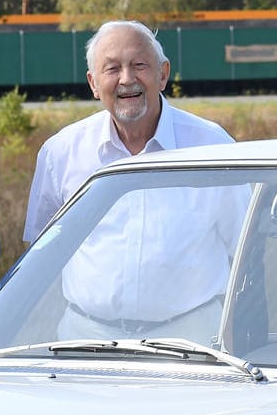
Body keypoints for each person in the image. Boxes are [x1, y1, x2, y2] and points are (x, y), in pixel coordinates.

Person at [23, 20, 236, 343]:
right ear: (93, 84)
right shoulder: (61, 153)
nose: (127, 79)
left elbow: (245, 248)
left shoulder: (212, 147)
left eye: (139, 65)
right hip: (84, 339)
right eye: (112, 69)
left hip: (191, 337)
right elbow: (41, 257)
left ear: (163, 74)